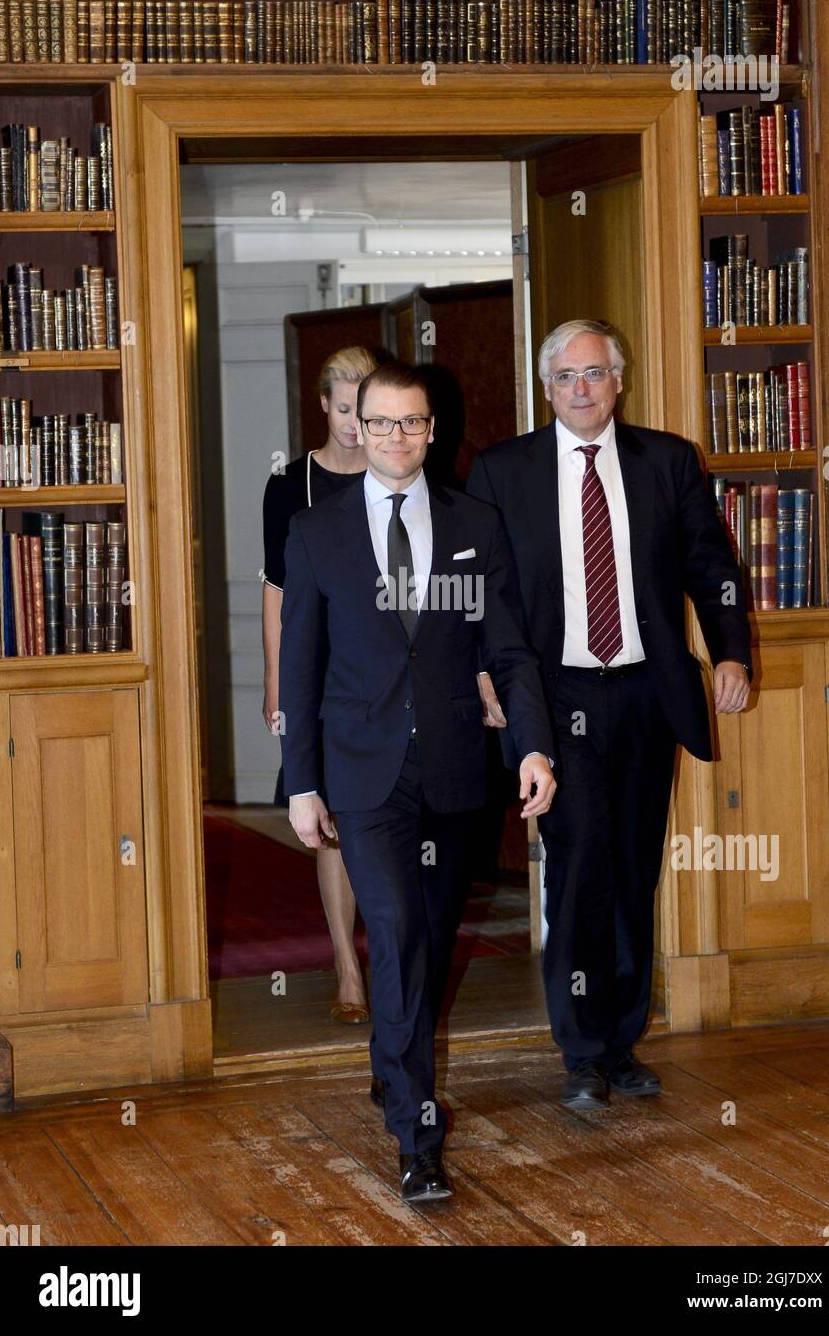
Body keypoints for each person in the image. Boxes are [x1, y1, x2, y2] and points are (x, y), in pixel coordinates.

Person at [280, 359, 556, 1202]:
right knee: (395, 935)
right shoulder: (316, 532)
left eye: (413, 423)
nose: (397, 437)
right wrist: (299, 781)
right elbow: (300, 664)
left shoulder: (475, 522)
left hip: (449, 770)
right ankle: (416, 1132)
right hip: (362, 773)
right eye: (382, 422)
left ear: (433, 432)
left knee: (427, 946)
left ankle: (391, 1063)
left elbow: (505, 648)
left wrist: (533, 748)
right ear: (354, 427)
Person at [467, 319, 752, 1111]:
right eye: (566, 377)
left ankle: (622, 1041)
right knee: (580, 858)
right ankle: (580, 1047)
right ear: (546, 387)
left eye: (594, 374)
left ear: (616, 381)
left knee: (633, 865)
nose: (581, 389)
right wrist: (486, 676)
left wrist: (730, 652)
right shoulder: (501, 471)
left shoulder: (666, 461)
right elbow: (479, 591)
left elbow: (711, 565)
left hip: (643, 692)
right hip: (553, 695)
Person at [261, 345, 377, 1025]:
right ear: (323, 407)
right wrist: (276, 683)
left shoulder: (402, 473)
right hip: (317, 676)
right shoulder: (290, 485)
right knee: (328, 822)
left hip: (386, 672)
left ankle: (389, 958)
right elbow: (276, 595)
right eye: (342, 410)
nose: (355, 426)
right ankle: (346, 967)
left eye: (364, 410)